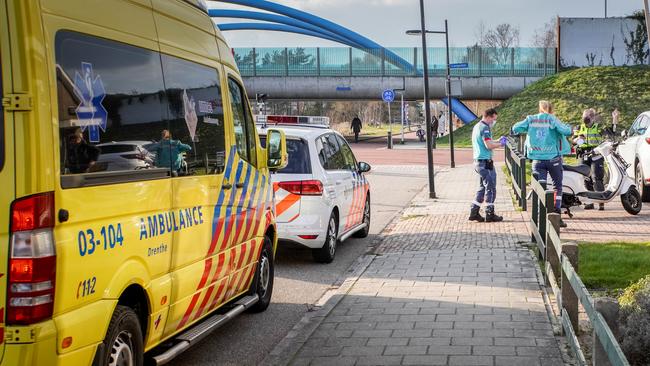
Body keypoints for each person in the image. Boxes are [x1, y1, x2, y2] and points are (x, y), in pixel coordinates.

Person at [512, 100, 572, 227]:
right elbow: (567, 131)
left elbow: (515, 128)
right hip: (553, 159)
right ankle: (556, 215)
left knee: (540, 188)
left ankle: (540, 215)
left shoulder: (531, 119)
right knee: (557, 187)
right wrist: (567, 127)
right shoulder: (552, 119)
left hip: (537, 159)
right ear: (551, 109)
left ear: (539, 109)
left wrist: (528, 129)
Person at [469, 108, 507, 223]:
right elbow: (488, 145)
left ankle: (474, 212)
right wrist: (501, 144)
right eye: (494, 119)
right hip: (485, 163)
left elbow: (487, 141)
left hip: (478, 162)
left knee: (482, 188)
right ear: (489, 117)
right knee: (491, 188)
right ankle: (489, 214)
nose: (494, 122)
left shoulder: (477, 126)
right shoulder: (485, 128)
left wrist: (497, 140)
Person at [575, 109, 606, 210]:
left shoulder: (598, 127)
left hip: (596, 153)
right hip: (584, 153)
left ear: (592, 118)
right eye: (583, 117)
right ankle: (590, 201)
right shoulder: (580, 127)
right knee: (585, 177)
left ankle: (601, 201)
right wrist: (579, 140)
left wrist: (614, 120)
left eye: (587, 117)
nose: (585, 119)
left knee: (597, 177)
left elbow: (609, 133)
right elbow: (574, 141)